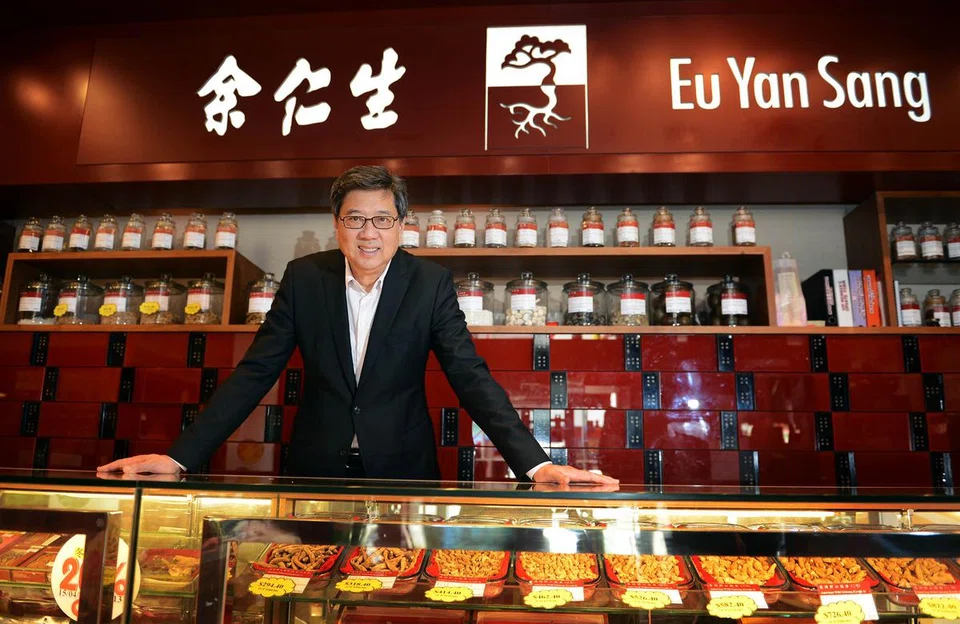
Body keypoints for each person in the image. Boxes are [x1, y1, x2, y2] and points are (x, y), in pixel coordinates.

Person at [99, 166, 617, 487]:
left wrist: (536, 465)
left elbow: (470, 376)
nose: (369, 233)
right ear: (337, 224)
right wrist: (180, 458)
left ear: (401, 225)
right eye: (355, 219)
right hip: (316, 464)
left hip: (403, 466)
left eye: (382, 219)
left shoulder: (430, 283)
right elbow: (256, 372)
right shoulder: (306, 278)